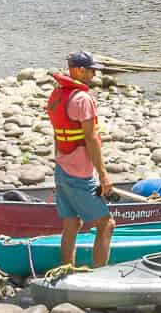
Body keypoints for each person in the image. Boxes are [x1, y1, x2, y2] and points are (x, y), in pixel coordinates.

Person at [48, 52, 116, 271]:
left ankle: (66, 270)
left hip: (62, 170)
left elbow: (58, 135)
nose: (94, 74)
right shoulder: (82, 99)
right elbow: (91, 139)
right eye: (90, 70)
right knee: (106, 224)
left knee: (71, 223)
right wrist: (104, 176)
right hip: (79, 174)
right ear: (77, 70)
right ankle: (99, 275)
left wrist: (60, 163)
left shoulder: (57, 94)